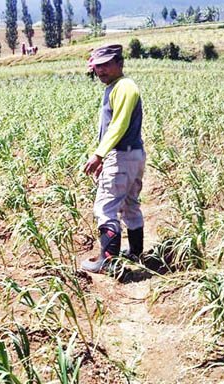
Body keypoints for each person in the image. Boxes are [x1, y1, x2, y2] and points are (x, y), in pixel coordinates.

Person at [81, 44, 146, 274]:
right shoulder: (116, 87)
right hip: (129, 155)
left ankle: (107, 262)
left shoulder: (125, 86)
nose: (101, 70)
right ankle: (136, 253)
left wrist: (100, 155)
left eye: (106, 65)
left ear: (120, 63)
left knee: (105, 207)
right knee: (130, 205)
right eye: (98, 66)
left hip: (122, 155)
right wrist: (104, 157)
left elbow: (119, 124)